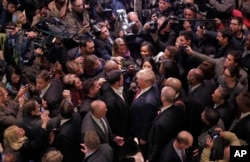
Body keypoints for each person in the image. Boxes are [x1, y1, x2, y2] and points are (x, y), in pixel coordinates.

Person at [148, 86, 186, 162]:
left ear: (163, 98)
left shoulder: (160, 124)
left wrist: (151, 159)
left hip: (162, 152)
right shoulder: (179, 109)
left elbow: (157, 146)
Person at [129, 69, 160, 160]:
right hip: (137, 125)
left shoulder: (148, 102)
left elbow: (147, 121)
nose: (136, 80)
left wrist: (143, 138)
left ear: (146, 82)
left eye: (139, 79)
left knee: (145, 153)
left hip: (141, 132)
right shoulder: (150, 87)